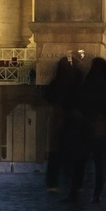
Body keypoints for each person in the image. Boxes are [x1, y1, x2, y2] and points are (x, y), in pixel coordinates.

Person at [64, 53, 106, 201]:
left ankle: (75, 192)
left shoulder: (88, 82)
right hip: (103, 127)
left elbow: (81, 102)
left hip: (87, 126)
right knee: (100, 162)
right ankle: (97, 194)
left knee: (80, 160)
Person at [44, 50, 87, 193]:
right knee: (74, 151)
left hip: (59, 119)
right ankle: (75, 183)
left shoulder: (56, 83)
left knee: (55, 153)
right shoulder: (77, 82)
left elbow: (47, 96)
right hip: (74, 120)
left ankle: (52, 183)